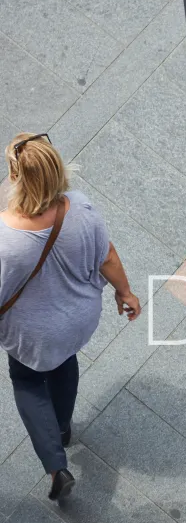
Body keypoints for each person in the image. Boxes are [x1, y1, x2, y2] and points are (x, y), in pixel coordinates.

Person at [0, 133, 140, 499]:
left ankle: (56, 465)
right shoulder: (80, 208)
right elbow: (107, 256)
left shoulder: (4, 236)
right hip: (78, 320)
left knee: (27, 381)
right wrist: (125, 292)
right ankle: (61, 427)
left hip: (34, 335)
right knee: (64, 363)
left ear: (16, 178)